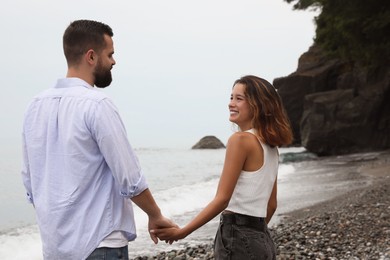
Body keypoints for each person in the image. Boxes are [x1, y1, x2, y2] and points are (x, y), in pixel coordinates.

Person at [21, 19, 175, 260]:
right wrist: (155, 215)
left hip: (55, 247)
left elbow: (31, 182)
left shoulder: (34, 107)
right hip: (99, 243)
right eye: (110, 54)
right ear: (91, 57)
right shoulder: (97, 105)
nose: (114, 61)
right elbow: (130, 177)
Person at [152, 75, 293, 259]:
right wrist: (254, 235)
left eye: (239, 98)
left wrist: (182, 232)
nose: (231, 103)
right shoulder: (272, 148)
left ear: (258, 105)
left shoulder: (240, 140)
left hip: (237, 236)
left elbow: (222, 199)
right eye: (231, 97)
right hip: (262, 239)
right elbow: (271, 205)